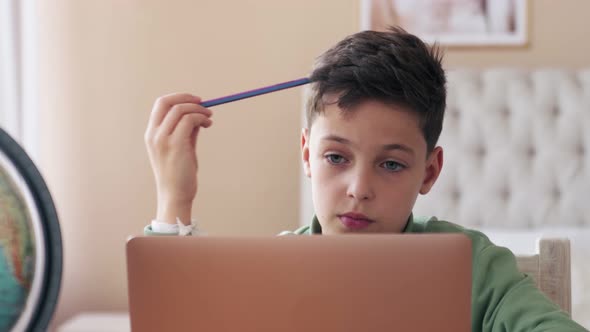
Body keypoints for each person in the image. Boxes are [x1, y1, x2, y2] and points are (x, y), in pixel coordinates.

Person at [142, 27, 587, 331]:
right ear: (307, 156)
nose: (359, 188)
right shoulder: (271, 268)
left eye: (391, 164)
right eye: (336, 157)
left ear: (429, 172)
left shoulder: (475, 267)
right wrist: (173, 199)